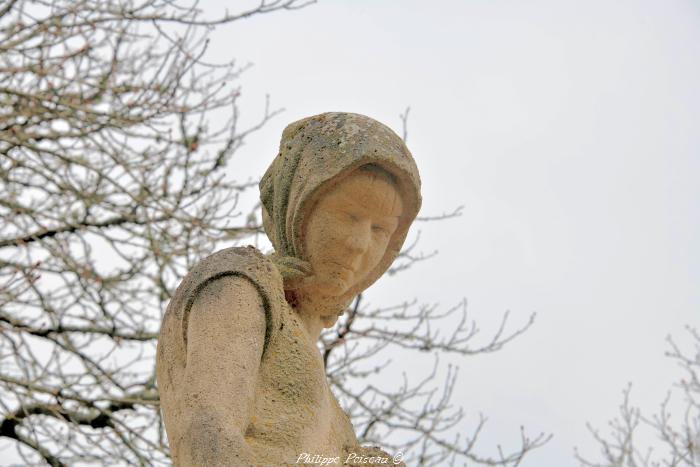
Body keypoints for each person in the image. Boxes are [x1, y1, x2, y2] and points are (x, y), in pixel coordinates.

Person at [156, 112, 422, 466]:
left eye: (380, 231)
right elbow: (208, 431)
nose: (360, 244)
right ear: (298, 206)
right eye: (348, 216)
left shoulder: (331, 407)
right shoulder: (242, 282)